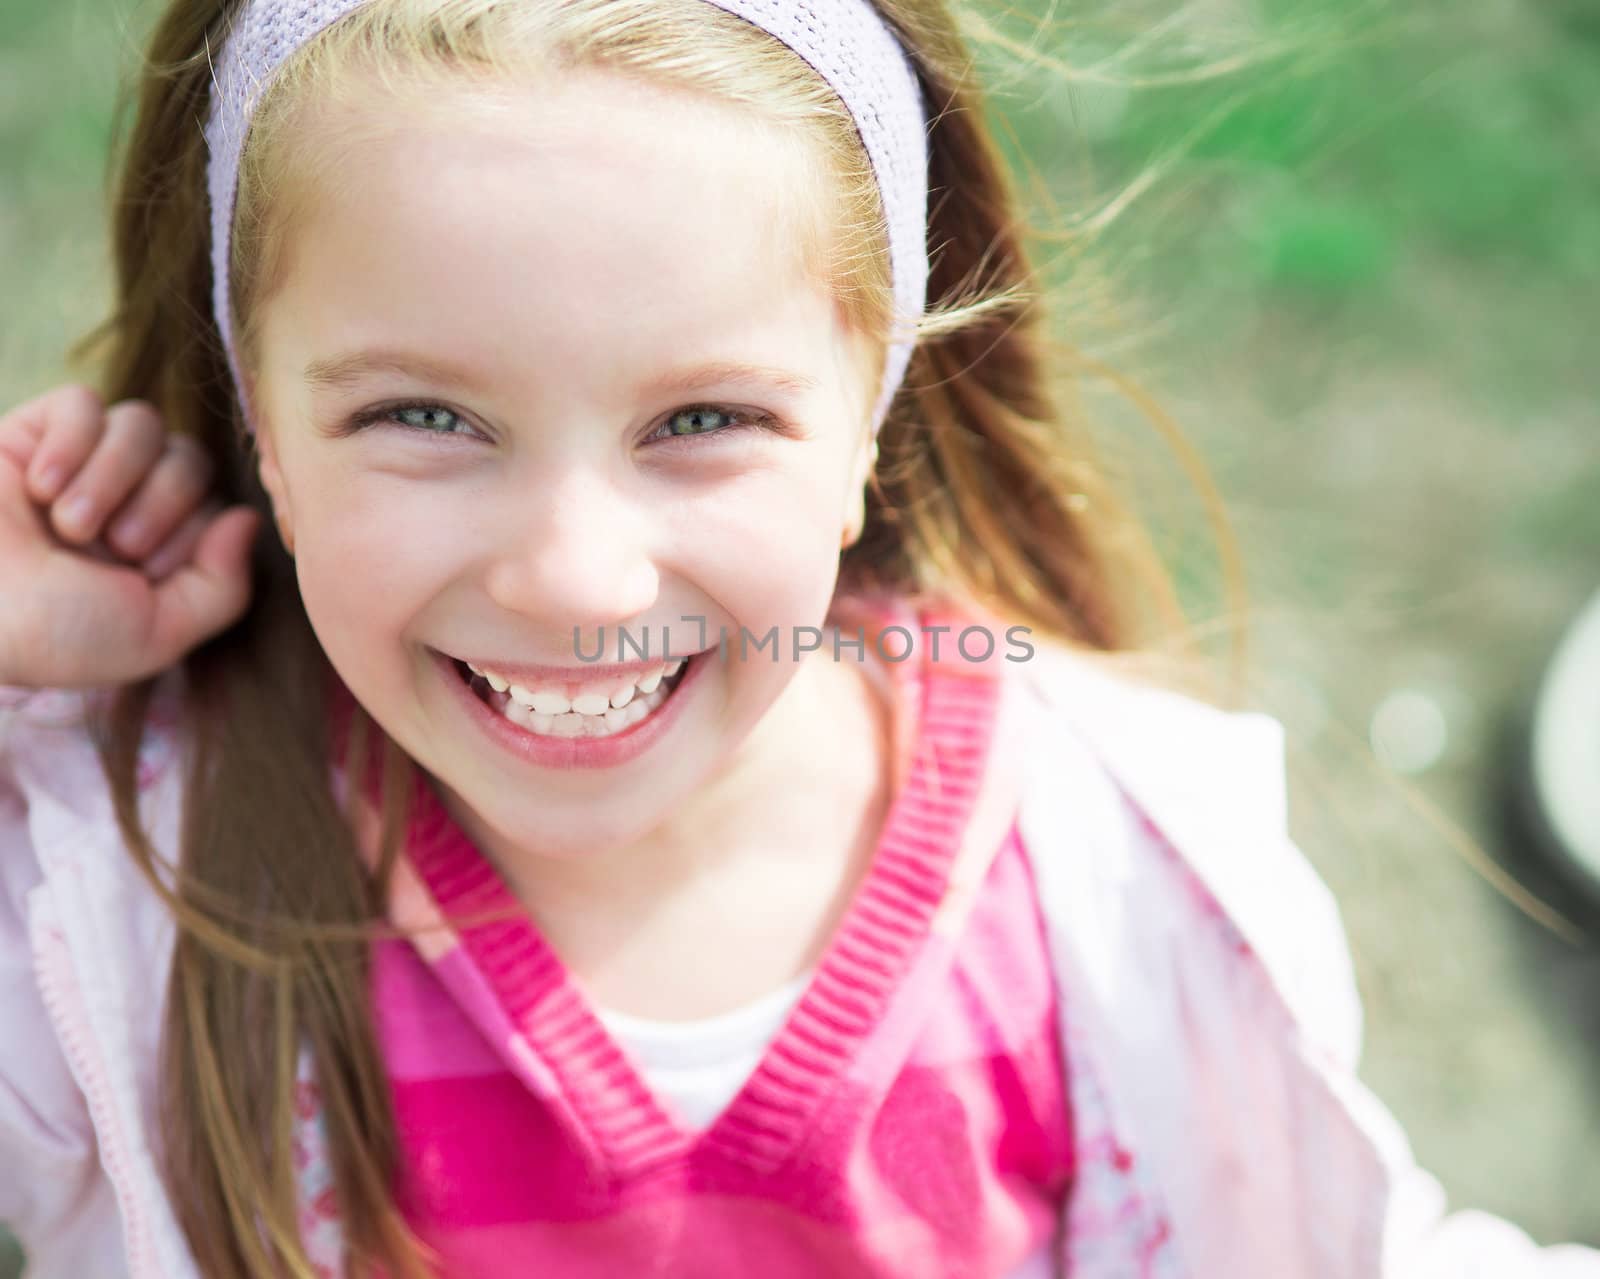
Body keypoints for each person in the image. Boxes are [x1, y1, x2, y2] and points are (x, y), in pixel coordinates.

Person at [0, 0, 1594, 1275]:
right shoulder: (118, 877)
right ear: (260, 423)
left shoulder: (1099, 874)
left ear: (866, 425)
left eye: (701, 418)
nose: (578, 580)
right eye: (425, 415)